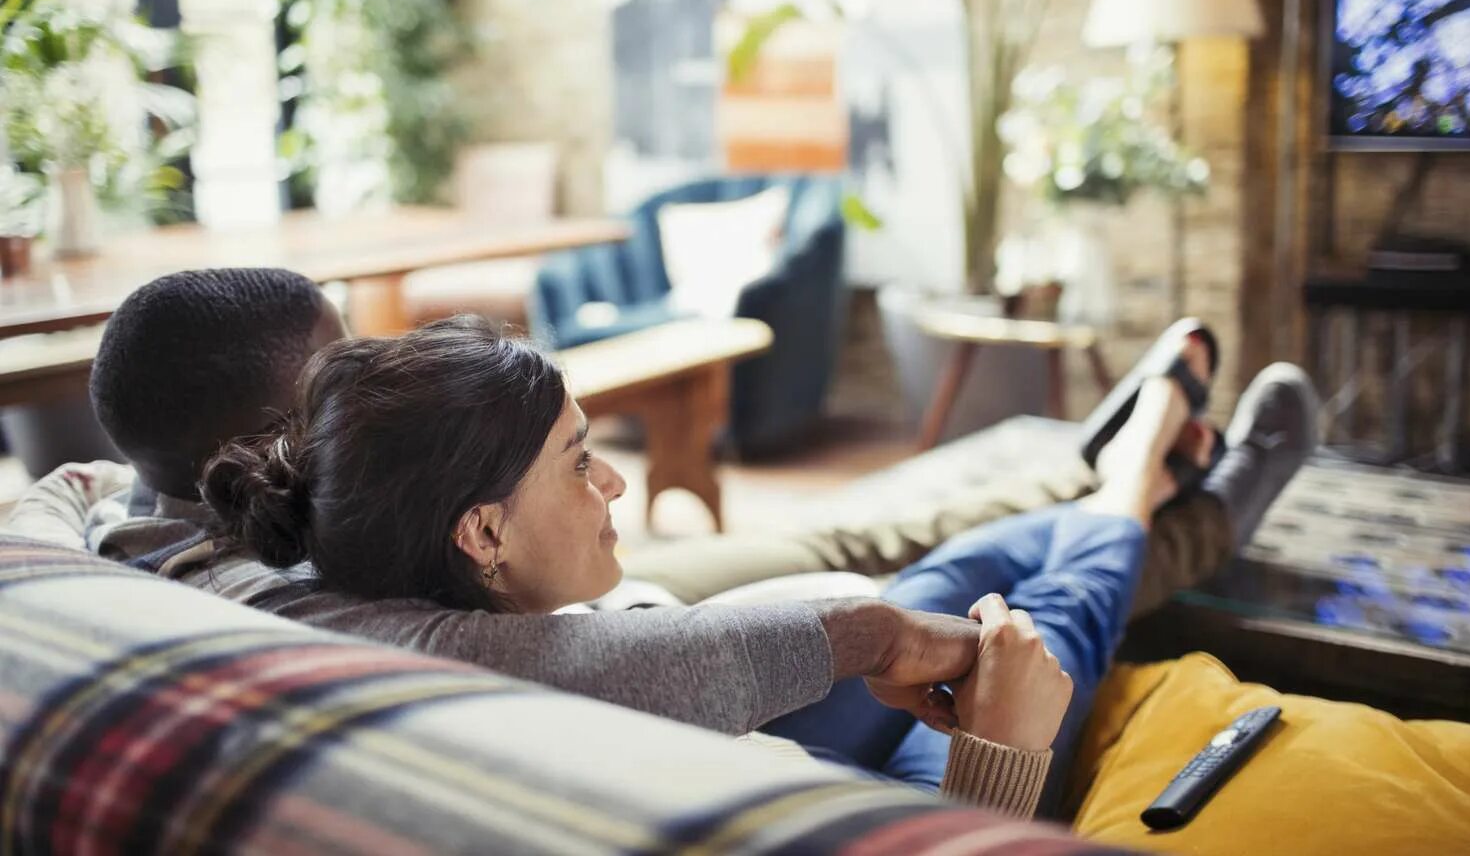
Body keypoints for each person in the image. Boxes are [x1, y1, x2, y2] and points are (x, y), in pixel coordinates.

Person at [197, 313, 1315, 815]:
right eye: (581, 463)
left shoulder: (339, 586)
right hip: (830, 789)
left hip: (759, 722)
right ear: (481, 535)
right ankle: (1140, 481)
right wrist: (1003, 752)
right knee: (1047, 618)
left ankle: (1136, 478)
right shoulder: (539, 699)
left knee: (954, 567)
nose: (616, 486)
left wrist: (869, 629)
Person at [7, 269, 984, 742]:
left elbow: (75, 485)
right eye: (337, 371)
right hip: (549, 585)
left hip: (542, 568)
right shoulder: (280, 601)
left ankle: (1055, 481)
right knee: (881, 556)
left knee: (839, 533)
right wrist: (873, 631)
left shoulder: (126, 497)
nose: (369, 374)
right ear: (270, 439)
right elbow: (581, 663)